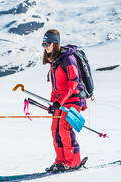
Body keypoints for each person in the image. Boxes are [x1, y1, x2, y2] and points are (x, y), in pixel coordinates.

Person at [41, 29, 87, 173]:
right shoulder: (54, 61)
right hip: (63, 100)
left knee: (64, 128)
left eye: (47, 43)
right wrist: (53, 104)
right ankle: (60, 161)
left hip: (74, 98)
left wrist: (59, 102)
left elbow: (72, 83)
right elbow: (56, 88)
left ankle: (72, 161)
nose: (45, 47)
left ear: (55, 43)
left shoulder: (68, 58)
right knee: (54, 129)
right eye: (43, 44)